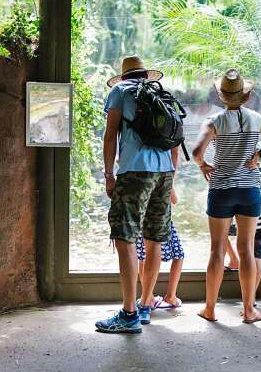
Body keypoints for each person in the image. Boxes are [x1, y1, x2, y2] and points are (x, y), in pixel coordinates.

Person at [192, 69, 261, 324]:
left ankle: (210, 309)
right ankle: (249, 311)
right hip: (249, 190)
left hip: (220, 190)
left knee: (217, 251)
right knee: (247, 250)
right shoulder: (255, 119)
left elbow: (196, 151)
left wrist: (204, 165)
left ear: (221, 96)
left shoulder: (214, 121)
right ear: (246, 96)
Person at [95, 55, 178, 334]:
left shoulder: (119, 91)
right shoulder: (162, 93)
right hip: (164, 172)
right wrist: (172, 178)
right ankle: (145, 304)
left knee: (125, 238)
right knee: (154, 237)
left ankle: (129, 313)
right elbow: (175, 140)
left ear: (125, 75)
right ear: (145, 75)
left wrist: (109, 174)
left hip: (134, 172)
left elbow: (110, 135)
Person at [225, 157, 261, 301]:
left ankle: (233, 259)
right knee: (257, 257)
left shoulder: (240, 175)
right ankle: (250, 298)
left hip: (242, 221)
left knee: (221, 234)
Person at [136, 186, 184, 310]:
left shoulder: (140, 177)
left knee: (143, 258)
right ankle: (171, 296)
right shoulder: (163, 176)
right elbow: (174, 199)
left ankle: (148, 297)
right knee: (179, 255)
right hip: (163, 223)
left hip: (142, 224)